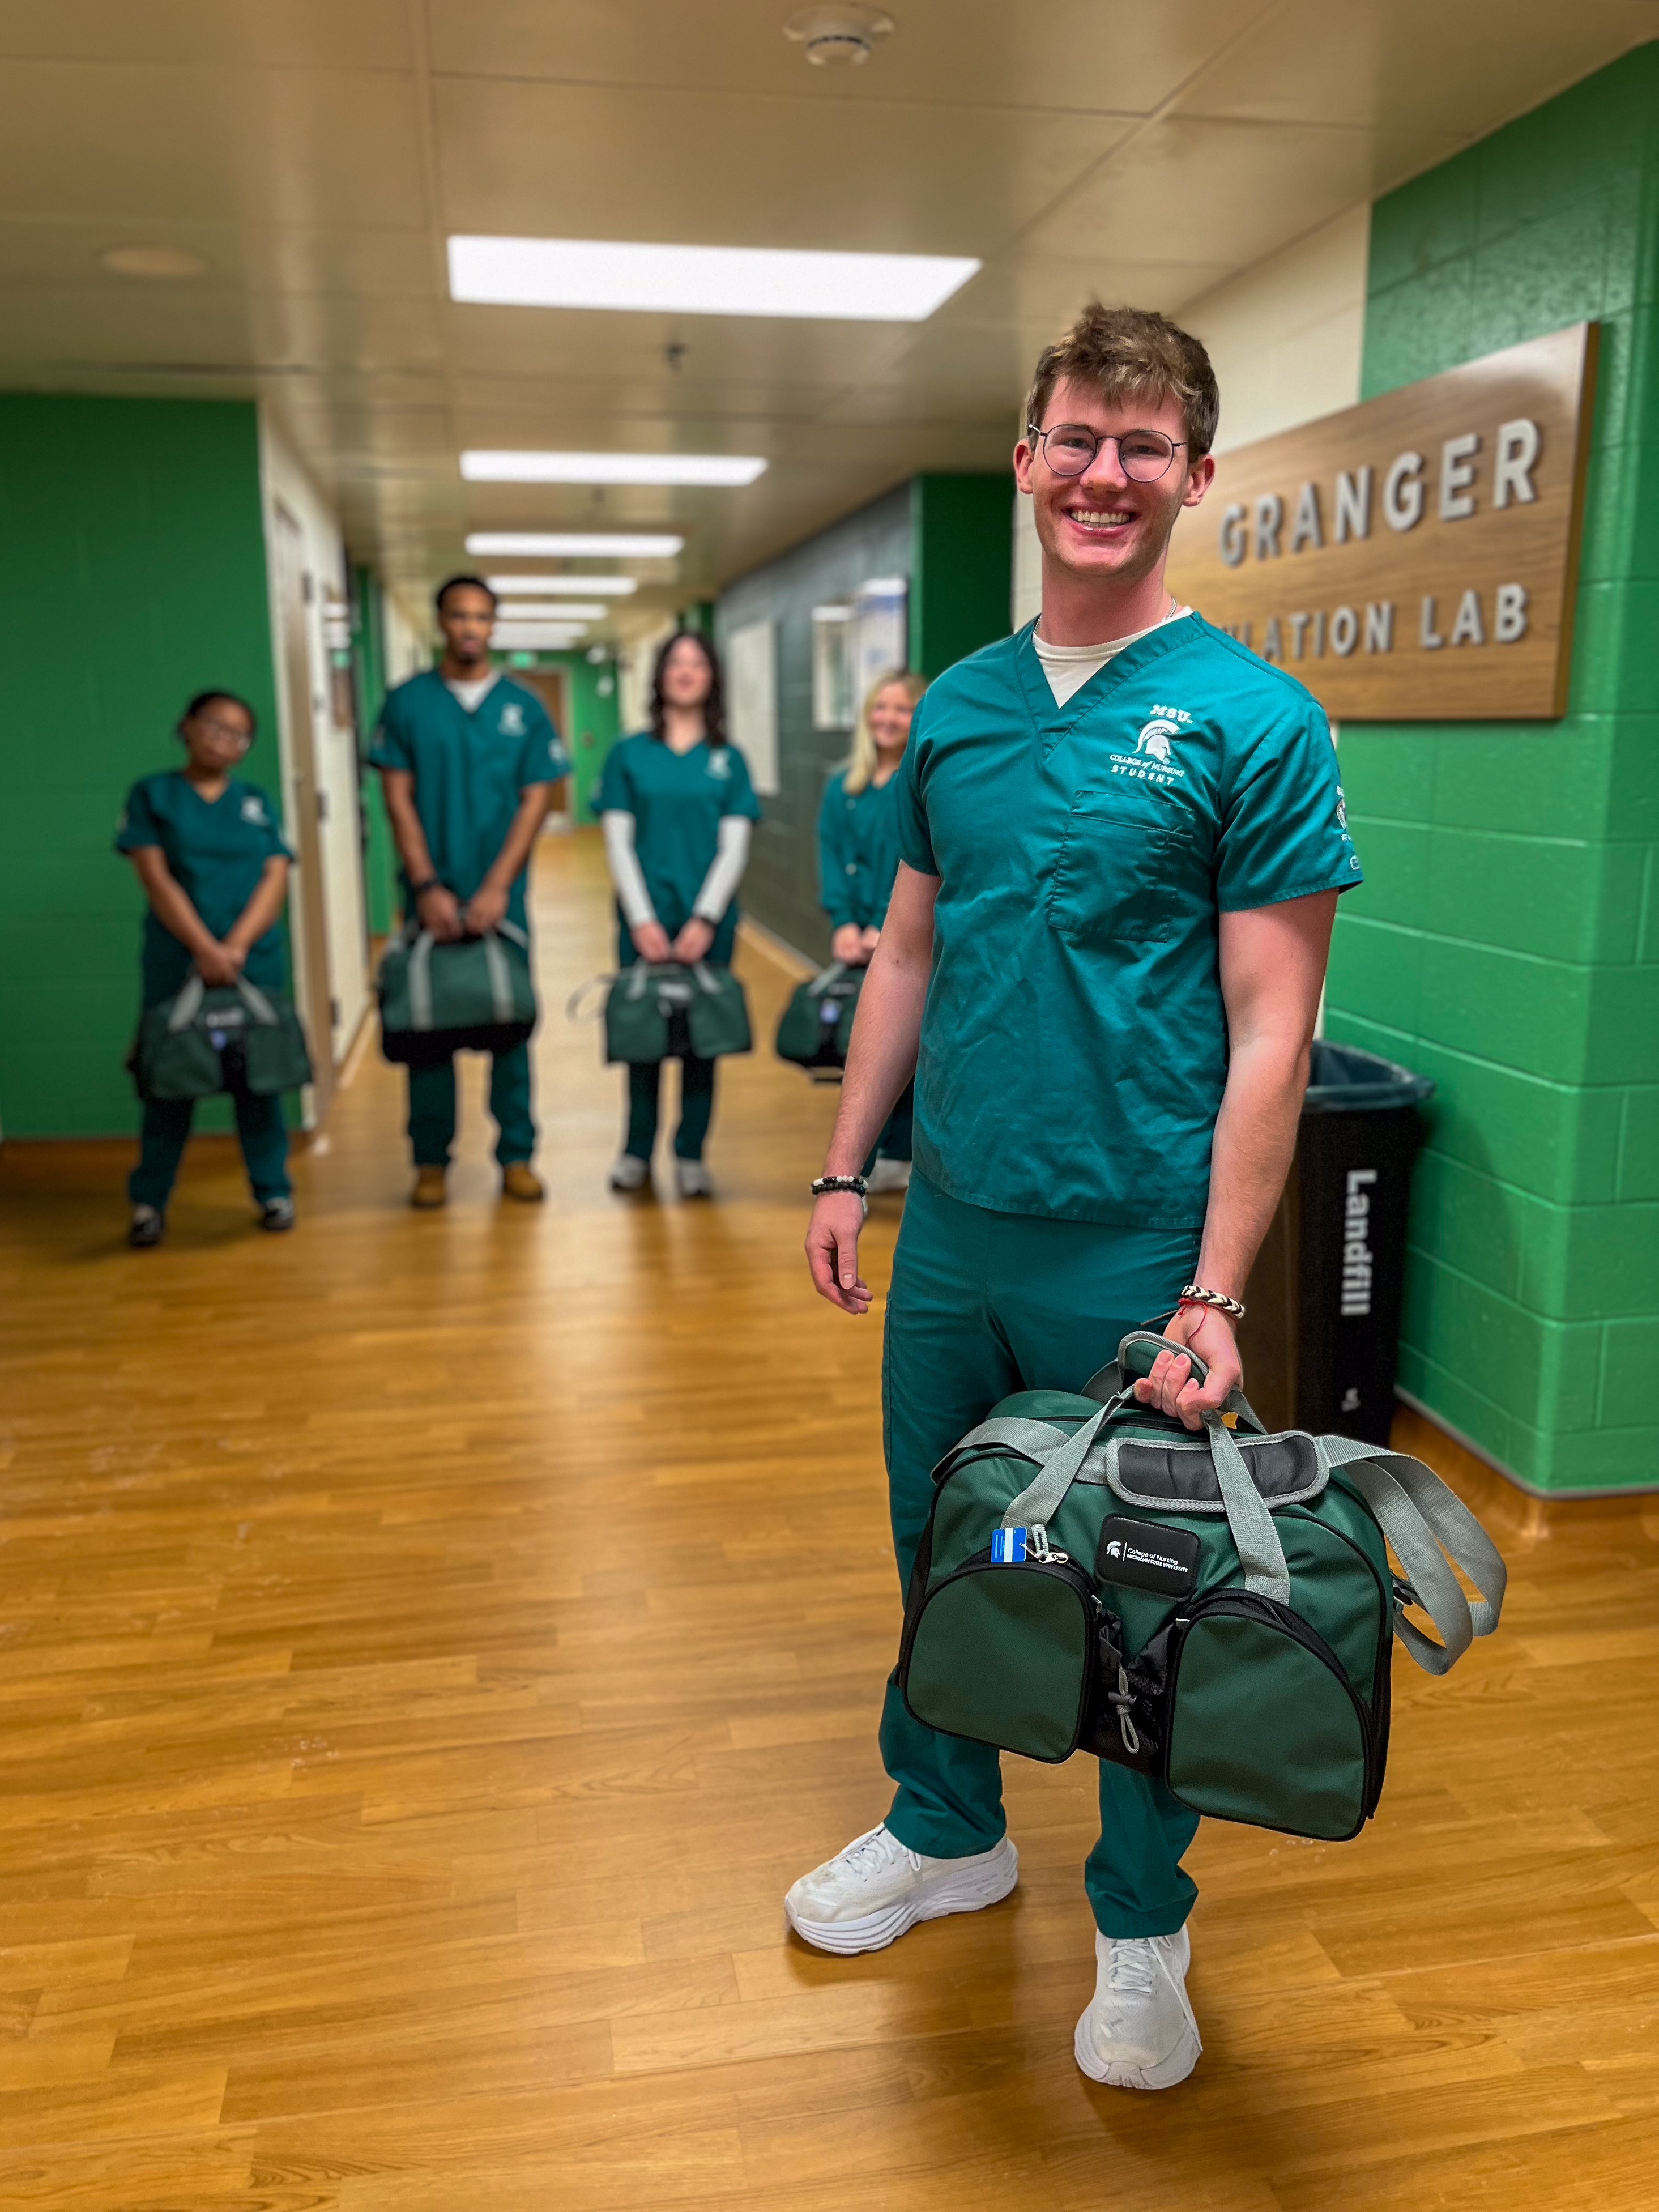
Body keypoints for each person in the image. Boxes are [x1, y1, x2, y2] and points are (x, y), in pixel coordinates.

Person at [792, 304, 1364, 2091]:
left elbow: (1274, 1029)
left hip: (1135, 1240)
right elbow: (906, 948)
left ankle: (1140, 1915)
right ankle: (946, 1821)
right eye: (1072, 437)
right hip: (957, 1218)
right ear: (1028, 457)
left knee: (1141, 1575)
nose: (1100, 471)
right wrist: (844, 1164)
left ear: (1191, 474)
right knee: (949, 1539)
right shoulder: (956, 706)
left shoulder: (1250, 720)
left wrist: (1212, 1286)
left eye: (1139, 444)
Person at [370, 576, 569, 1209]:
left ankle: (516, 1155)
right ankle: (430, 1160)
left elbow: (536, 798)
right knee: (429, 1029)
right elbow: (396, 797)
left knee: (509, 1025)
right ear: (440, 621)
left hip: (501, 898)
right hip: (428, 894)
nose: (469, 627)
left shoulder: (523, 705)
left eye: (481, 617)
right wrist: (426, 884)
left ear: (494, 625)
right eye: (458, 615)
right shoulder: (407, 703)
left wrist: (496, 885)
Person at [116, 690, 297, 1247]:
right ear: (187, 726)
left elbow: (275, 875)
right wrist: (204, 946)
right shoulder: (154, 795)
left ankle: (272, 1190)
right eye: (215, 726)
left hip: (253, 963)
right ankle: (149, 1201)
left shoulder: (255, 801)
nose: (225, 740)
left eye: (239, 734)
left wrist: (236, 946)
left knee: (258, 1080)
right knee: (171, 1084)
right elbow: (156, 876)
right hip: (179, 963)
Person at [598, 630, 760, 1199]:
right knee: (642, 1039)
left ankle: (691, 1154)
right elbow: (617, 843)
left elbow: (733, 846)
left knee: (700, 1040)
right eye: (676, 663)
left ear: (712, 677)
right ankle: (635, 1152)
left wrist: (705, 918)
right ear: (660, 674)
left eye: (697, 663)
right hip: (641, 920)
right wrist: (642, 918)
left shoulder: (729, 759)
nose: (686, 672)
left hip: (706, 926)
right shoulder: (628, 753)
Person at [816, 670, 926, 1195]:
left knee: (905, 1042)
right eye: (879, 707)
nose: (887, 718)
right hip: (853, 938)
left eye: (901, 708)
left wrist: (885, 928)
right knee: (861, 1046)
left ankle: (900, 1153)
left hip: (902, 939)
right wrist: (842, 922)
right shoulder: (843, 787)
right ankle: (866, 1149)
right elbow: (831, 857)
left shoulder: (918, 783)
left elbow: (917, 863)